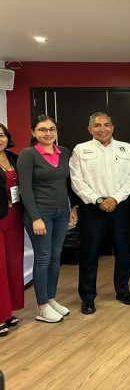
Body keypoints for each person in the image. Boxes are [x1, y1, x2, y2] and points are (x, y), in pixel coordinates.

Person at [69, 112, 130, 314]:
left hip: (119, 206)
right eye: (97, 125)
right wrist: (98, 200)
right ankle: (88, 297)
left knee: (123, 251)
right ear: (89, 129)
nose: (102, 129)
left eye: (106, 125)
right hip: (92, 208)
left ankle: (123, 290)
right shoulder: (81, 149)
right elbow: (76, 180)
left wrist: (115, 198)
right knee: (89, 253)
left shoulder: (124, 147)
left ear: (112, 127)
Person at [17, 115, 78, 323]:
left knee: (55, 256)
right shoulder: (28, 154)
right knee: (43, 257)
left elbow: (68, 183)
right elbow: (25, 188)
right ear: (33, 132)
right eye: (42, 130)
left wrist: (73, 207)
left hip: (61, 212)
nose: (48, 133)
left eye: (51, 129)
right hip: (40, 213)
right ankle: (41, 306)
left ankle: (51, 299)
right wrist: (35, 217)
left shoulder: (64, 152)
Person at [0, 124, 24, 336]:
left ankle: (7, 311)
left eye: (1, 135)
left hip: (15, 216)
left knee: (12, 264)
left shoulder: (14, 158)